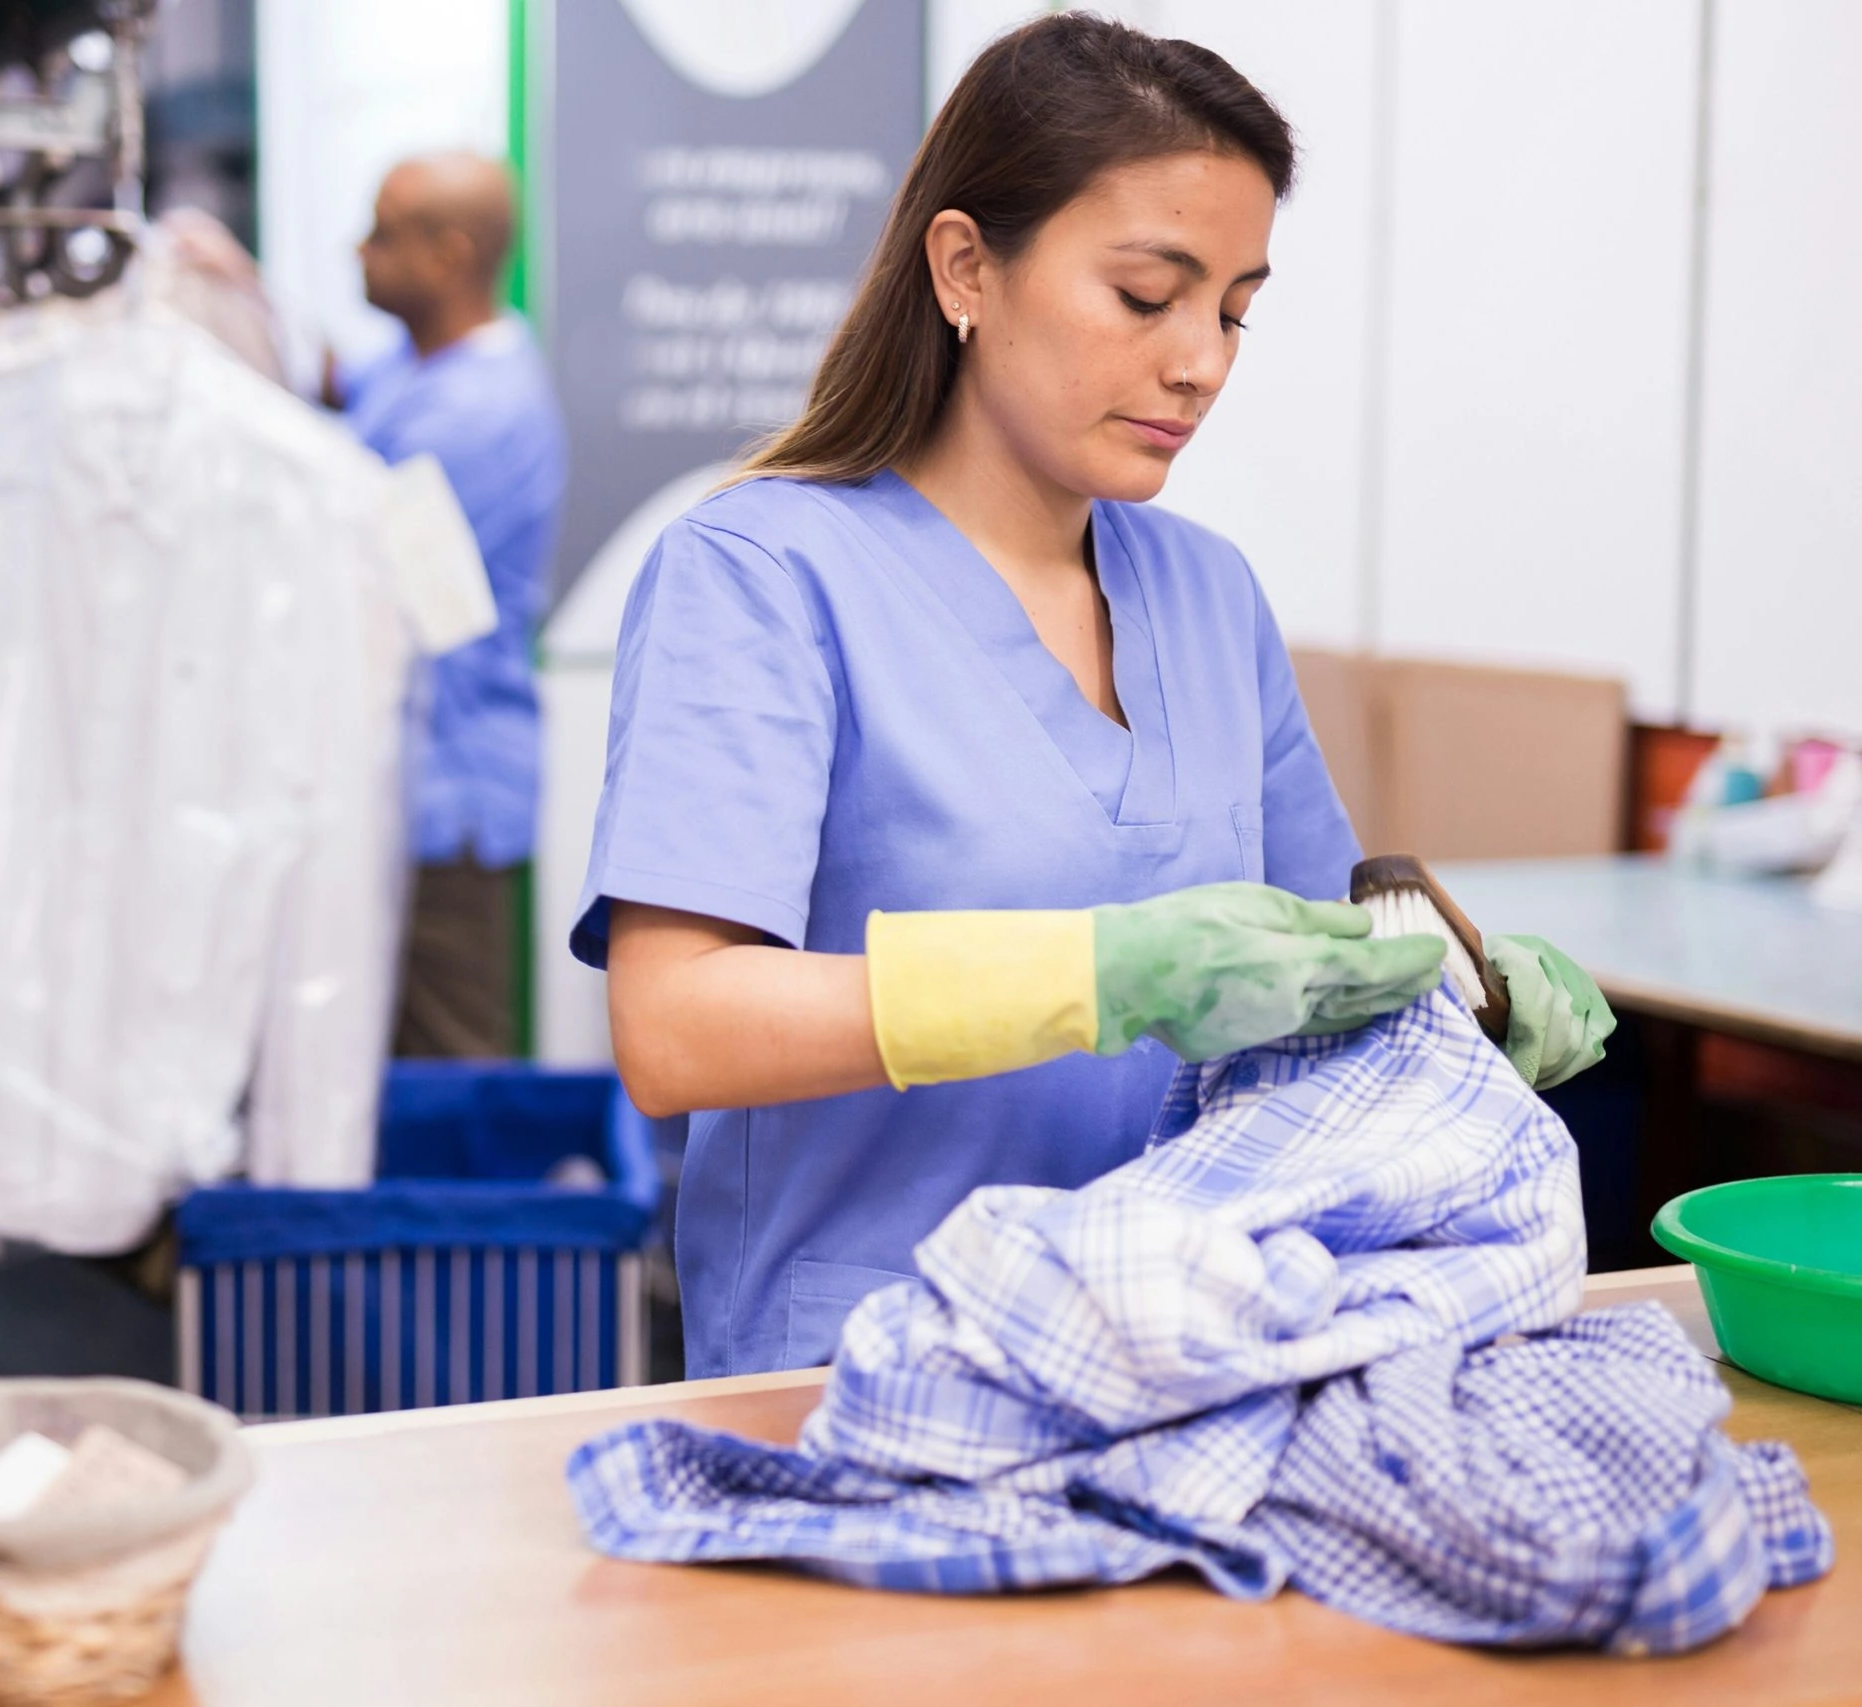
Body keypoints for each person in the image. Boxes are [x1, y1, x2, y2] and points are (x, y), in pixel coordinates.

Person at [572, 15, 1615, 1378]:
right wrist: (1098, 974)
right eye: (1147, 295)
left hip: (1187, 1350)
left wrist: (1458, 996)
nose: (1204, 362)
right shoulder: (762, 572)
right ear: (966, 267)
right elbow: (677, 1027)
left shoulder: (1206, 595)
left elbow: (1318, 955)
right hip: (870, 1362)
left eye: (1235, 309)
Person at [333, 152, 568, 1058]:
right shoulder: (417, 369)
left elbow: (358, 571)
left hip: (446, 807)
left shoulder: (476, 416)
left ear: (450, 254)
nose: (358, 249)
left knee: (451, 1077)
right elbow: (339, 384)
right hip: (401, 793)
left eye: (383, 234)